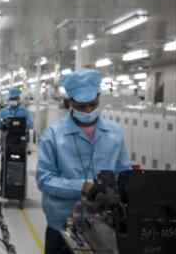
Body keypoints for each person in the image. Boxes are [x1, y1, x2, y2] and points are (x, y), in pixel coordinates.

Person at [36, 69, 131, 254]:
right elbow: (44, 179)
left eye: (92, 104)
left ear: (98, 97)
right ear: (70, 102)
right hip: (63, 227)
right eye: (81, 106)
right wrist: (83, 187)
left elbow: (124, 173)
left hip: (104, 229)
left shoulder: (114, 133)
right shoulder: (54, 135)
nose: (88, 110)